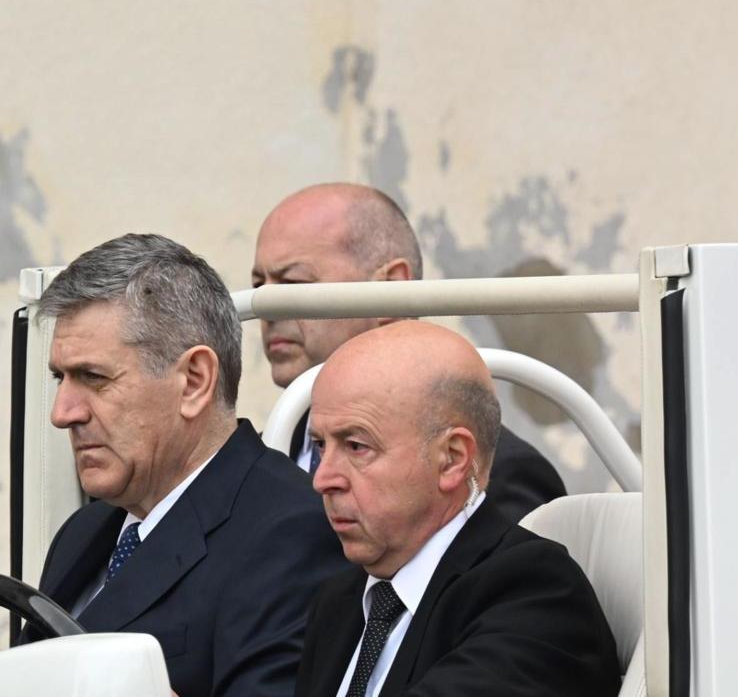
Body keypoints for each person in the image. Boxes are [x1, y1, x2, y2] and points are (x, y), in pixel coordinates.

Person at [28, 233, 348, 697]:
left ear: (195, 381)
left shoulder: (292, 532)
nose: (63, 413)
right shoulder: (84, 531)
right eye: (61, 378)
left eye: (93, 378)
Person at [294, 321, 621, 697]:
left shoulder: (533, 591)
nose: (323, 479)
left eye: (356, 446)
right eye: (320, 446)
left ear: (452, 459)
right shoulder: (340, 601)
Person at [252, 182, 565, 523]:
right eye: (258, 286)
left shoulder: (493, 474)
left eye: (293, 283)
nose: (267, 308)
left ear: (392, 289)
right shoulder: (266, 452)